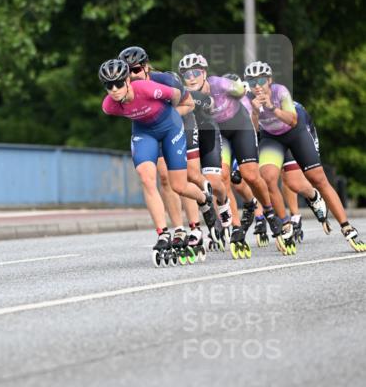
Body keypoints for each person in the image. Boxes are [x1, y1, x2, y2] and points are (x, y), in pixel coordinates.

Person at [99, 58, 219, 265]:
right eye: (108, 85)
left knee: (179, 185)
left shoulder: (147, 88)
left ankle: (203, 200)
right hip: (144, 133)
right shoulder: (109, 105)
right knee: (147, 179)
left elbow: (181, 96)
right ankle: (163, 234)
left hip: (171, 129)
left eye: (118, 83)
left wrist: (172, 113)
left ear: (128, 80)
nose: (114, 89)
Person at [178, 54, 295, 257]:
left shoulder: (218, 84)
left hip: (240, 126)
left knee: (250, 175)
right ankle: (236, 227)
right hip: (218, 133)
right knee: (221, 178)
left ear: (204, 73)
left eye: (196, 72)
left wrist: (239, 90)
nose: (192, 77)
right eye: (187, 75)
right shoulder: (187, 96)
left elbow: (242, 92)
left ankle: (269, 212)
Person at [244, 61, 365, 252]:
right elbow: (254, 130)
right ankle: (285, 224)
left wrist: (271, 107)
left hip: (295, 131)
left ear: (269, 80)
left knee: (314, 179)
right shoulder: (248, 98)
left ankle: (346, 226)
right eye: (251, 82)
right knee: (267, 178)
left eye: (260, 80)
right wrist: (255, 112)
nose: (257, 86)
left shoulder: (280, 92)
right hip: (271, 138)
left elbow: (292, 120)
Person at [119, 46, 208, 261]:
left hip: (177, 123)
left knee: (181, 177)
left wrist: (165, 117)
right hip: (148, 131)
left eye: (137, 69)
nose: (133, 75)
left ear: (146, 67)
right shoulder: (124, 88)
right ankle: (178, 229)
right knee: (165, 180)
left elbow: (188, 105)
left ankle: (195, 225)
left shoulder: (164, 80)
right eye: (127, 72)